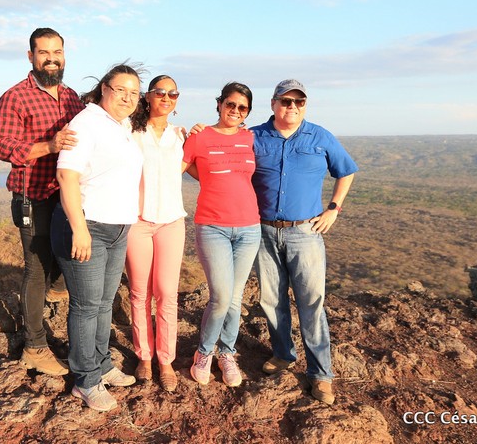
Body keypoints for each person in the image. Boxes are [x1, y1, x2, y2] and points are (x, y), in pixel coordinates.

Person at [251, 79, 358, 406]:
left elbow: (346, 171)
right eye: (286, 101)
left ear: (305, 105)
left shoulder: (320, 136)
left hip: (305, 232)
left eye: (299, 102)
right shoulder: (253, 136)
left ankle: (320, 373)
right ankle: (283, 353)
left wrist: (334, 209)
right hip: (263, 230)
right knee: (271, 299)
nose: (292, 107)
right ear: (273, 103)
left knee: (311, 302)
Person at [51, 63, 144, 412]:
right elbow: (66, 176)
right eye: (121, 90)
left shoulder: (122, 126)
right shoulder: (86, 123)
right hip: (88, 225)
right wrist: (79, 228)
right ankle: (85, 379)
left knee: (105, 303)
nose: (128, 98)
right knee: (87, 305)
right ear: (104, 88)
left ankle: (102, 364)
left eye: (134, 93)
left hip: (118, 227)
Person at [0, 27, 84, 376]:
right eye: (44, 53)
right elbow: (4, 146)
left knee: (67, 256)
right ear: (30, 56)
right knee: (36, 269)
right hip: (33, 195)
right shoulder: (15, 97)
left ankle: (55, 292)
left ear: (64, 56)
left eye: (57, 52)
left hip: (66, 193)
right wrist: (50, 145)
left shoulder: (72, 97)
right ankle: (34, 346)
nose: (51, 59)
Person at [182, 82, 261, 387]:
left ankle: (227, 353)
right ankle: (204, 352)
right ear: (219, 104)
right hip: (212, 226)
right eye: (230, 104)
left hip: (249, 227)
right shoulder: (200, 136)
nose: (236, 111)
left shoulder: (250, 138)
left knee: (235, 298)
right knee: (221, 297)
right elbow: (177, 167)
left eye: (243, 108)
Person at [125, 75, 187, 392]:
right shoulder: (131, 131)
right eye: (160, 92)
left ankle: (166, 360)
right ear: (147, 96)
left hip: (172, 222)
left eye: (172, 93)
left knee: (166, 293)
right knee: (139, 293)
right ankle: (144, 357)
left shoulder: (181, 136)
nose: (166, 97)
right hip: (137, 221)